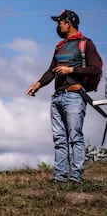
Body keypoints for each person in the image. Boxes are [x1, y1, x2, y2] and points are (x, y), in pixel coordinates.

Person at [27, 10, 102, 183]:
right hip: (57, 97)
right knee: (59, 138)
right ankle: (59, 176)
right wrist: (38, 84)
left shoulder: (85, 44)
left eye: (60, 22)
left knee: (75, 136)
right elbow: (51, 70)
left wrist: (71, 70)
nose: (58, 25)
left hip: (75, 96)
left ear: (69, 22)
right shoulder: (60, 46)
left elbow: (96, 68)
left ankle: (76, 177)